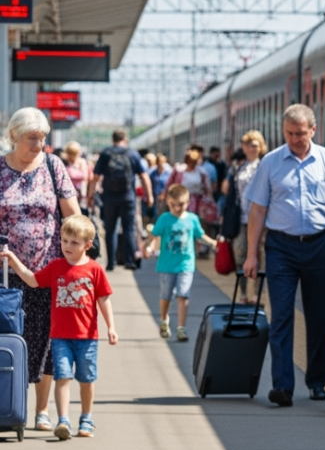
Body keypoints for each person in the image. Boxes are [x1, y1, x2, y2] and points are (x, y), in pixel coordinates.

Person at [243, 104, 325, 407]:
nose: (294, 139)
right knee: (282, 316)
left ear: (313, 131)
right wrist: (252, 255)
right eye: (289, 133)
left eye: (300, 133)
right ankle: (282, 386)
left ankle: (317, 382)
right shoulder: (271, 162)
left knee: (319, 315)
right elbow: (258, 210)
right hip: (281, 247)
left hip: (321, 243)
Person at [0, 108, 80, 433]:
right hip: (5, 272)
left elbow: (72, 213)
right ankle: (7, 403)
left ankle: (42, 410)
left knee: (46, 338)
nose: (40, 144)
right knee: (9, 335)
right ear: (14, 136)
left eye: (43, 137)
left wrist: (80, 250)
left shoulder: (53, 165)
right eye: (33, 138)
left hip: (48, 270)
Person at [0, 215, 115, 439]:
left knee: (86, 380)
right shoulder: (56, 267)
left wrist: (111, 327)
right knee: (62, 377)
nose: (67, 246)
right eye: (64, 241)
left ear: (87, 245)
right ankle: (63, 420)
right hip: (60, 337)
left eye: (74, 242)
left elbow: (103, 299)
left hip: (87, 338)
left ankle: (86, 418)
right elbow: (33, 280)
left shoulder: (94, 270)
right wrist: (13, 261)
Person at [145, 185, 218, 342]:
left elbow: (200, 235)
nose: (177, 208)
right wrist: (148, 246)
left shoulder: (192, 219)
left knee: (183, 294)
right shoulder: (164, 218)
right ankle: (164, 321)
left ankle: (181, 327)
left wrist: (213, 243)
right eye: (173, 205)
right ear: (168, 202)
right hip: (166, 265)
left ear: (188, 202)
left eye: (181, 204)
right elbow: (155, 235)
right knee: (166, 295)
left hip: (186, 265)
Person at [92, 128, 152, 271]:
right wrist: (149, 195)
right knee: (129, 229)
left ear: (113, 140)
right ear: (125, 139)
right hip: (128, 197)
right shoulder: (132, 153)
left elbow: (95, 177)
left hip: (109, 198)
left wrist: (90, 196)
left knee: (110, 229)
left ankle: (111, 262)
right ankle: (130, 261)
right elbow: (144, 176)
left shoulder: (106, 153)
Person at [226, 131, 266, 303]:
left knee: (260, 254)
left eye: (255, 145)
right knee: (240, 253)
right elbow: (231, 195)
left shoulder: (265, 166)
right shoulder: (238, 168)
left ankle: (256, 293)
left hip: (262, 220)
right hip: (241, 218)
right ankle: (243, 293)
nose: (251, 148)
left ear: (261, 147)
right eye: (248, 145)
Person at [63, 141, 93, 214]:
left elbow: (85, 179)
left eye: (75, 153)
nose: (74, 155)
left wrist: (86, 195)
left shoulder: (82, 162)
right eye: (71, 153)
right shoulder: (64, 162)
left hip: (81, 193)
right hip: (67, 194)